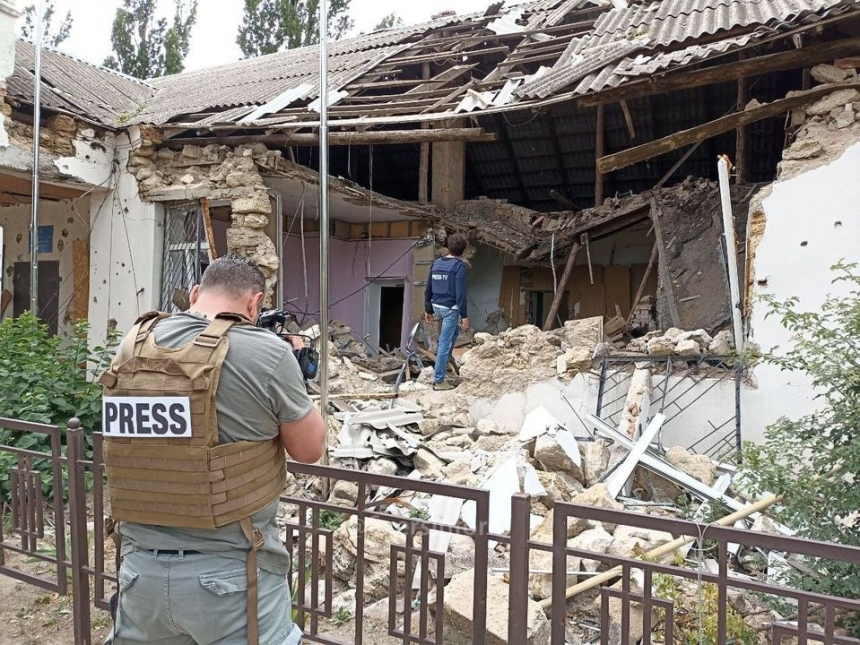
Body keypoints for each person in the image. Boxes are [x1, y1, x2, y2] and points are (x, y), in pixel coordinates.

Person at [101, 255, 326, 645]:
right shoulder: (266, 352)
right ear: (255, 304)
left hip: (138, 574)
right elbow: (309, 449)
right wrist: (294, 369)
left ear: (194, 294)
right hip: (234, 577)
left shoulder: (133, 344)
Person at [424, 232, 469, 391]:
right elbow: (460, 293)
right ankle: (439, 380)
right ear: (463, 250)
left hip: (436, 306)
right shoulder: (459, 267)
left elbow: (428, 287)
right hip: (450, 309)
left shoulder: (436, 263)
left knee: (453, 333)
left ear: (449, 247)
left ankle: (447, 357)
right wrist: (464, 315)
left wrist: (428, 310)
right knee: (444, 342)